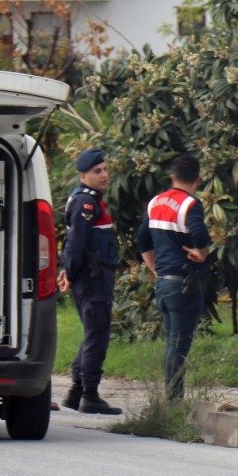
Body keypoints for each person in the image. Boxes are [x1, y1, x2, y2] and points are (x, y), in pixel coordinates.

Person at [137, 153, 212, 401]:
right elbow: (200, 234)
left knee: (172, 343)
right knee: (179, 346)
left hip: (163, 285)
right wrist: (201, 253)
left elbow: (142, 240)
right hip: (184, 284)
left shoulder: (155, 202)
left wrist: (155, 269)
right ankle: (174, 401)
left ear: (172, 177)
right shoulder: (190, 204)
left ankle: (172, 399)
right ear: (198, 180)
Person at [59, 148, 122, 415]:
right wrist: (70, 273)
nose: (104, 175)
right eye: (97, 171)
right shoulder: (86, 203)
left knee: (92, 332)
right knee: (97, 333)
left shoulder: (90, 200)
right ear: (83, 175)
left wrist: (69, 272)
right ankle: (90, 394)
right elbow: (75, 243)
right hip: (93, 277)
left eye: (105, 169)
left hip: (92, 276)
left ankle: (76, 392)